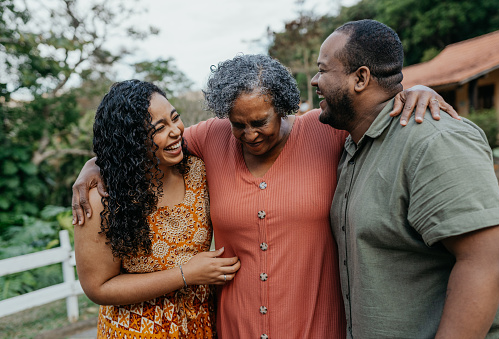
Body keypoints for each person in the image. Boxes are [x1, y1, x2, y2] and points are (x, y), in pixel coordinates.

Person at [72, 55, 457, 338]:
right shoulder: (211, 138)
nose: (249, 133)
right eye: (238, 124)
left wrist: (416, 91)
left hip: (314, 323)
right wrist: (93, 167)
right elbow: (132, 148)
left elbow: (374, 111)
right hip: (231, 325)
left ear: (285, 108)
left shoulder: (324, 131)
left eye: (260, 122)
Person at [312, 19, 499, 338]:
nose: (314, 81)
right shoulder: (352, 146)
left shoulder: (434, 142)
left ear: (360, 78)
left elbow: (485, 262)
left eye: (323, 70)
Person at [74, 80, 240, 338]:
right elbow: (97, 287)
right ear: (131, 139)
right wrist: (184, 275)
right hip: (136, 331)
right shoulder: (102, 198)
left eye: (175, 118)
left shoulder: (199, 170)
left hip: (201, 326)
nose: (176, 131)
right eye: (159, 128)